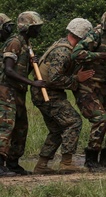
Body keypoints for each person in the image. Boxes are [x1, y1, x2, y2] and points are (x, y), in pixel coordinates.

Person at [31, 18, 95, 174]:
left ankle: (41, 165)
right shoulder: (64, 52)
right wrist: (76, 80)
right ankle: (66, 162)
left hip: (43, 93)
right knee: (73, 122)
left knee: (57, 129)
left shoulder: (61, 44)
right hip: (48, 94)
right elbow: (54, 78)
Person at [73, 10, 106, 171]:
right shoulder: (95, 35)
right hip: (87, 87)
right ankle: (91, 160)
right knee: (101, 119)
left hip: (102, 87)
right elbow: (77, 53)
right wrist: (100, 56)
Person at [0, 12, 47, 176]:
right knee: (6, 127)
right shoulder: (14, 42)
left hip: (18, 92)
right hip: (6, 91)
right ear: (27, 28)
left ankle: (13, 163)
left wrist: (31, 65)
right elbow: (8, 70)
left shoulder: (27, 44)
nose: (38, 30)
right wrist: (32, 83)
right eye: (36, 27)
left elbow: (21, 70)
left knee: (21, 128)